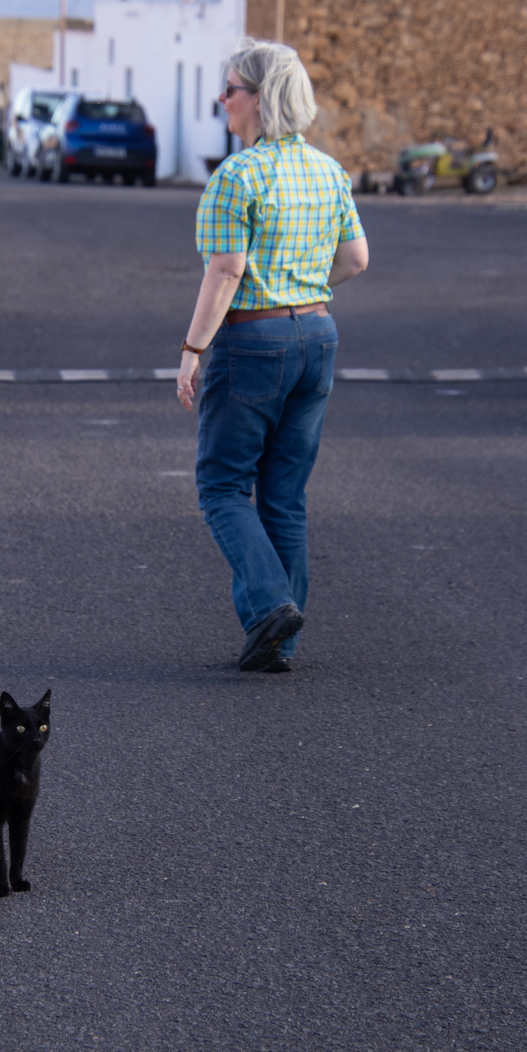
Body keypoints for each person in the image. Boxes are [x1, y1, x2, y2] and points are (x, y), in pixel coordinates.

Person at [177, 39, 368, 673]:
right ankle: (278, 644)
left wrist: (192, 349)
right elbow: (356, 260)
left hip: (252, 342)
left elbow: (227, 269)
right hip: (317, 337)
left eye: (230, 88)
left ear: (258, 98)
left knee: (222, 487)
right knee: (284, 495)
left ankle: (268, 606)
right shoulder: (328, 171)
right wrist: (303, 291)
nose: (223, 100)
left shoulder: (238, 176)